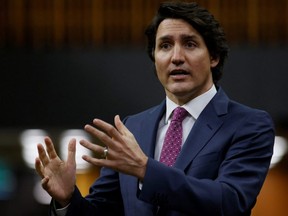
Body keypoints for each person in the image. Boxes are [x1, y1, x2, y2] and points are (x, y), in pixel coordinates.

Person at [35, 2, 274, 216]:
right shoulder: (132, 128)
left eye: (190, 44)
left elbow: (229, 202)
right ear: (155, 58)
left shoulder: (249, 124)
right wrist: (67, 199)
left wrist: (145, 170)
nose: (176, 57)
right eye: (165, 46)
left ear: (214, 57)